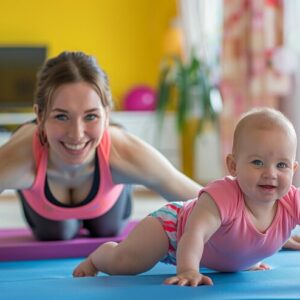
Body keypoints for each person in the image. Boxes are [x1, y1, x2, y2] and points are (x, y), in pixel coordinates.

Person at [73, 107, 300, 287]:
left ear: (294, 169)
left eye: (281, 165)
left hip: (226, 254)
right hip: (175, 228)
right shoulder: (223, 196)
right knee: (126, 262)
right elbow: (195, 234)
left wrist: (280, 242)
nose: (270, 173)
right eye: (257, 162)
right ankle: (98, 257)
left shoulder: (291, 201)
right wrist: (189, 270)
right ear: (233, 166)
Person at [0, 51, 201, 241]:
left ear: (107, 115)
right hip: (43, 199)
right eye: (61, 116)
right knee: (57, 233)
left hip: (108, 183)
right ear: (40, 116)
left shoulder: (125, 153)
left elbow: (209, 201)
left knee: (107, 230)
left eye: (91, 116)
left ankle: (119, 183)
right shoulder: (19, 158)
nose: (76, 134)